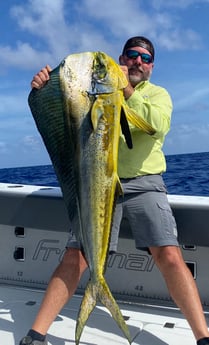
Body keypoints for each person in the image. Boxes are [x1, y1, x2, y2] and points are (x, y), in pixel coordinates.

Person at [19, 36, 209, 345]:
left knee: (170, 255)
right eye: (132, 55)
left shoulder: (158, 95)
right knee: (75, 256)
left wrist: (124, 89)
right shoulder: (92, 95)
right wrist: (44, 87)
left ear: (151, 67)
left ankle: (204, 337)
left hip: (144, 184)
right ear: (123, 57)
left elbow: (155, 124)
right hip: (96, 183)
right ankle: (36, 335)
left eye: (145, 58)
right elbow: (67, 110)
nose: (137, 61)